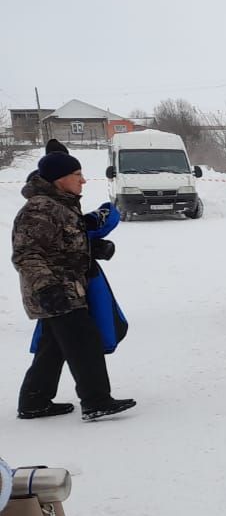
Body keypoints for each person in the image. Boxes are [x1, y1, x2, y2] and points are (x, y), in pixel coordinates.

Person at [14, 141, 135, 421]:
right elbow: (27, 254)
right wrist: (47, 287)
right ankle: (96, 401)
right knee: (84, 341)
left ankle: (34, 402)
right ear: (59, 179)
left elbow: (63, 245)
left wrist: (95, 249)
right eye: (77, 174)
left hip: (66, 286)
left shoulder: (60, 205)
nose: (83, 180)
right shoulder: (40, 209)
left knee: (53, 347)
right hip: (56, 289)